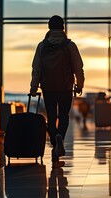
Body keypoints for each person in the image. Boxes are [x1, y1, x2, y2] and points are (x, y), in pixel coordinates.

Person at [30, 15, 85, 163]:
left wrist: (34, 87)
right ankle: (60, 136)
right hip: (65, 87)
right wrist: (79, 85)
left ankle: (55, 141)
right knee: (64, 116)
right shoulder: (69, 46)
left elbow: (36, 69)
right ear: (63, 27)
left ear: (49, 27)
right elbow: (78, 68)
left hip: (48, 87)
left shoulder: (42, 46)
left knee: (52, 117)